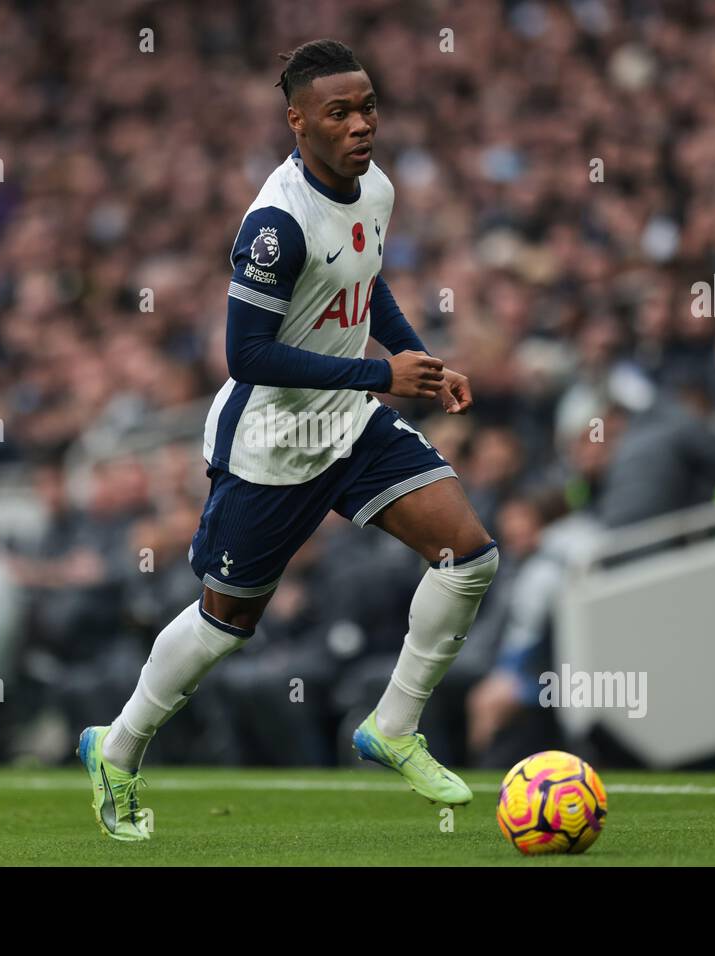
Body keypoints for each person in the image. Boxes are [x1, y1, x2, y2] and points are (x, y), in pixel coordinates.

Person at [76, 39, 500, 841]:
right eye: (339, 112)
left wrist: (419, 362)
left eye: (368, 105)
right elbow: (247, 355)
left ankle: (395, 726)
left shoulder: (377, 188)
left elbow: (366, 283)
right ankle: (118, 746)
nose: (361, 124)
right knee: (225, 626)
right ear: (297, 121)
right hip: (274, 438)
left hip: (349, 420)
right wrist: (381, 378)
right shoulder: (276, 224)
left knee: (469, 556)